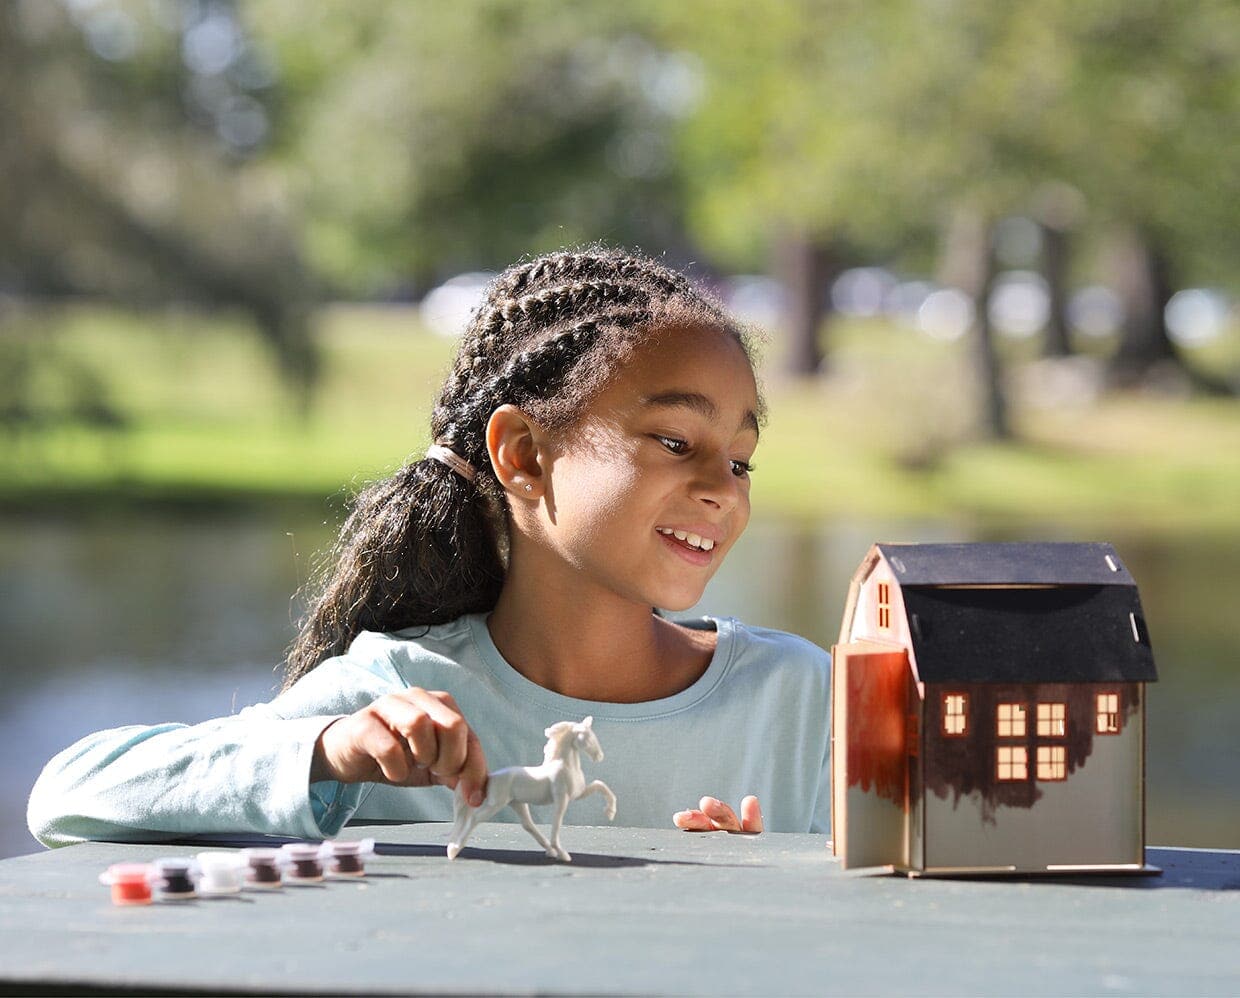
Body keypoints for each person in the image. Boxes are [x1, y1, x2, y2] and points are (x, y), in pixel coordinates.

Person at [27, 247, 831, 848]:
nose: (723, 489)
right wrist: (327, 752)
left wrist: (775, 891)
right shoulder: (395, 695)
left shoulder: (801, 697)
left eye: (740, 459)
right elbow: (67, 797)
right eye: (673, 440)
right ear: (521, 453)